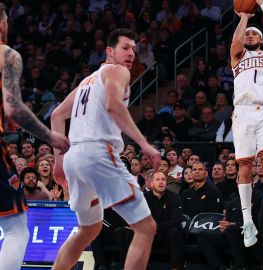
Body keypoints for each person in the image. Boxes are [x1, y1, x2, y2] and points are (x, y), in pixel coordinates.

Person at [50, 28, 161, 270]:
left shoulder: (86, 81)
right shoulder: (117, 71)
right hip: (98, 155)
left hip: (75, 159)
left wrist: (59, 162)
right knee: (146, 227)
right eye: (125, 48)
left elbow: (57, 115)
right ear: (109, 52)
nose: (131, 53)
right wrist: (143, 143)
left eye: (134, 48)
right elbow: (113, 105)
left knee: (88, 229)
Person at [0, 3, 70, 269]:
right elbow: (13, 107)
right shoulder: (7, 55)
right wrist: (49, 136)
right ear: (2, 24)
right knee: (17, 229)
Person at [230, 0, 263, 247]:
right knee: (245, 168)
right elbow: (234, 43)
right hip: (241, 112)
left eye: (254, 33)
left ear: (260, 40)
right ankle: (247, 221)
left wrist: (261, 4)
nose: (250, 35)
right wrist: (243, 17)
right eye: (247, 33)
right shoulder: (237, 58)